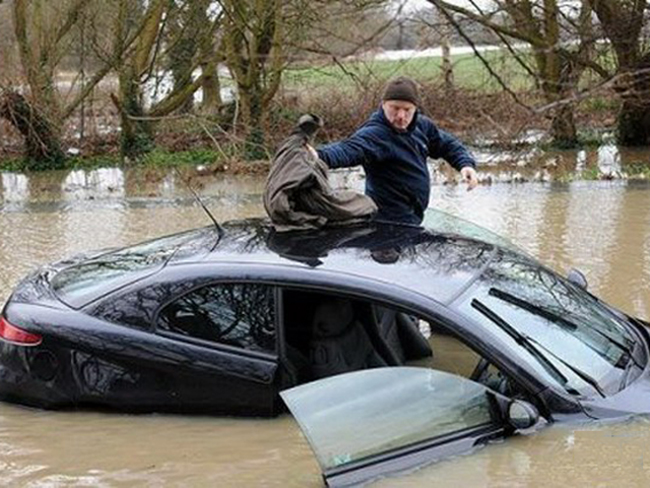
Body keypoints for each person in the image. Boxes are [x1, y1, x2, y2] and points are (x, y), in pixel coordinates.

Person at [313, 76, 478, 225]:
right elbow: (347, 150)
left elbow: (447, 144)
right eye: (395, 108)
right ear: (383, 104)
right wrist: (317, 155)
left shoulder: (422, 126)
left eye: (407, 110)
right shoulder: (377, 134)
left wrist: (465, 164)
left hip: (413, 217)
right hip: (385, 224)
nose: (401, 116)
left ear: (415, 109)